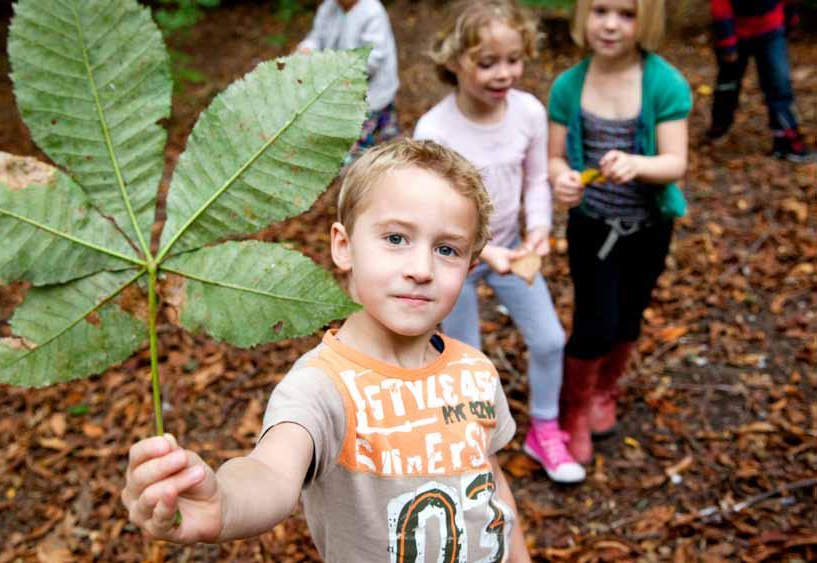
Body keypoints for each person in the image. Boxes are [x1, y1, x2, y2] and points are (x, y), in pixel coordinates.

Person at [121, 139, 532, 562]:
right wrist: (224, 503)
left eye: (447, 249)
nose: (421, 270)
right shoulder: (321, 387)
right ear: (344, 246)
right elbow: (271, 472)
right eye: (395, 238)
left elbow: (491, 482)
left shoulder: (474, 370)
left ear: (470, 263)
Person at [414, 0, 584, 484]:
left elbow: (534, 180)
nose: (503, 73)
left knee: (550, 339)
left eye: (513, 60)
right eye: (487, 62)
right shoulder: (436, 129)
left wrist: (539, 231)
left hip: (514, 248)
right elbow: (436, 213)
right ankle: (471, 442)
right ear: (453, 60)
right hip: (456, 260)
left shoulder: (528, 112)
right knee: (465, 352)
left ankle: (544, 429)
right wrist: (482, 252)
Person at [548, 0, 691, 464]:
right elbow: (555, 158)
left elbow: (676, 161)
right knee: (595, 322)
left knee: (630, 315)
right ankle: (573, 409)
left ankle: (602, 393)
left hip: (649, 227)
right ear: (583, 16)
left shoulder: (664, 83)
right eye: (600, 10)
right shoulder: (569, 87)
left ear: (646, 20)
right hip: (592, 227)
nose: (610, 24)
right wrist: (562, 179)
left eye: (626, 13)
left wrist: (637, 164)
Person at [708, 0, 815, 162]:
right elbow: (720, 6)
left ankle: (785, 140)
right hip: (736, 33)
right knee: (728, 85)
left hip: (770, 30)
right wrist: (727, 42)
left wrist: (790, 20)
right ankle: (719, 126)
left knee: (779, 84)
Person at [297, 0, 400, 162]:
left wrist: (330, 69)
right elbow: (316, 37)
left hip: (372, 96)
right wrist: (307, 49)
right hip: (341, 95)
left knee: (380, 142)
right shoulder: (329, 8)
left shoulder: (372, 12)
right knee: (357, 146)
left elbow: (372, 60)